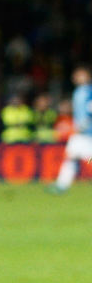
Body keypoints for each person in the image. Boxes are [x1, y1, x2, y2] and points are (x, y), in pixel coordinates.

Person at [50, 65, 92, 193]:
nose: (76, 77)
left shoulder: (88, 91)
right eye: (76, 75)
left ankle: (62, 185)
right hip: (80, 133)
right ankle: (62, 185)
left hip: (87, 132)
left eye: (80, 74)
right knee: (70, 156)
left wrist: (82, 125)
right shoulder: (78, 92)